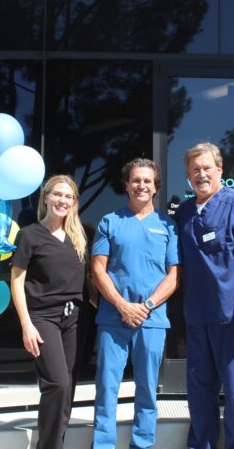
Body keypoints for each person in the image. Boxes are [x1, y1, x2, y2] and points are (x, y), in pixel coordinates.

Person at [177, 142, 234, 449]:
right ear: (188, 176)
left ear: (220, 170)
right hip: (198, 318)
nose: (201, 174)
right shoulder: (184, 212)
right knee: (199, 393)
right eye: (195, 170)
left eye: (207, 168)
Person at [91, 158, 179, 449]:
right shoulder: (110, 222)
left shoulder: (168, 226)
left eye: (147, 181)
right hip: (113, 319)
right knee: (107, 387)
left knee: (147, 389)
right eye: (136, 180)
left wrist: (147, 305)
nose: (141, 185)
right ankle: (103, 444)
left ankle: (142, 443)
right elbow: (98, 270)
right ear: (127, 185)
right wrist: (122, 306)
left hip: (152, 320)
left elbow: (174, 276)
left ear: (156, 187)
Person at [10, 175, 88, 449]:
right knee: (57, 384)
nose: (62, 201)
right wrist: (26, 325)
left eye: (68, 197)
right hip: (43, 318)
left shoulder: (78, 236)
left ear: (74, 202)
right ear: (46, 197)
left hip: (74, 319)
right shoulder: (29, 235)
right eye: (57, 194)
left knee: (68, 389)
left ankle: (54, 442)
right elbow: (17, 281)